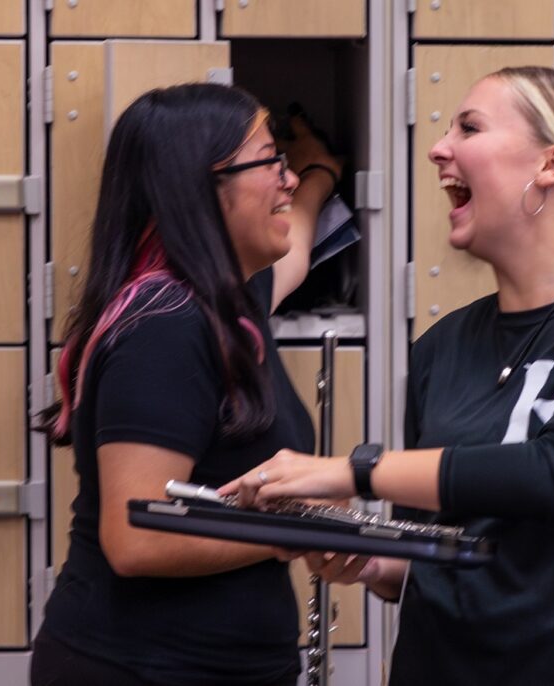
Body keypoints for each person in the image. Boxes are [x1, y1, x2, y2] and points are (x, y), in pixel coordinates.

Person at [221, 66, 554, 685]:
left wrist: (349, 471)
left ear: (552, 164)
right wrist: (367, 559)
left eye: (469, 127)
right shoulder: (442, 347)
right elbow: (448, 548)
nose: (438, 148)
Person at [31, 83, 342, 686]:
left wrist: (321, 170)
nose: (286, 180)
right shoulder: (164, 328)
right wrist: (304, 527)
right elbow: (135, 539)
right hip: (141, 668)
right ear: (202, 188)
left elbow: (297, 240)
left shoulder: (230, 297)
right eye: (270, 160)